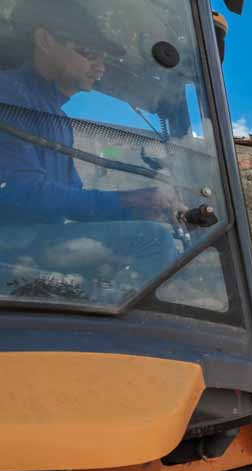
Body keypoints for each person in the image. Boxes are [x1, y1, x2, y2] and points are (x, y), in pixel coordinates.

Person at [0, 0, 182, 302]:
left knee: (154, 232)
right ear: (45, 40)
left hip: (35, 244)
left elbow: (71, 200)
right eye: (89, 52)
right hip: (12, 245)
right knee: (153, 240)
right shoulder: (8, 93)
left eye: (104, 58)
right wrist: (129, 200)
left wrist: (139, 210)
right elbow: (19, 193)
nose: (101, 66)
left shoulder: (58, 119)